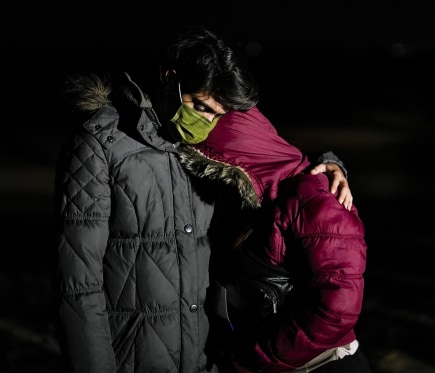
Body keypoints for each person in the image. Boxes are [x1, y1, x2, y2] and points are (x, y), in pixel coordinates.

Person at [53, 27, 353, 373]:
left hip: (207, 356)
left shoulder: (211, 138)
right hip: (134, 357)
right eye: (199, 106)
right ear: (170, 78)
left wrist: (329, 167)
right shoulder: (102, 144)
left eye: (218, 113)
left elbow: (281, 169)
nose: (207, 122)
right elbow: (77, 281)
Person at [177, 106, 371, 373]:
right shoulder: (244, 201)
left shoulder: (313, 199)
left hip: (322, 364)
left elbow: (337, 309)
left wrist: (254, 357)